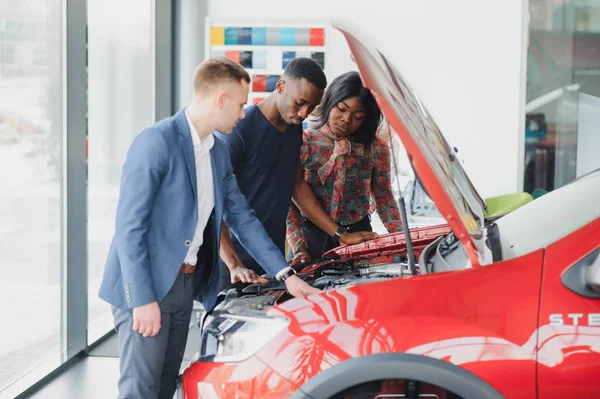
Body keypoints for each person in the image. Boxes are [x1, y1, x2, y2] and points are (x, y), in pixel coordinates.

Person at [98, 57, 319, 399]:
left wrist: (286, 274)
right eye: (240, 104)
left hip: (186, 282)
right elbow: (129, 228)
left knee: (164, 385)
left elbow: (242, 216)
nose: (243, 114)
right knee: (139, 390)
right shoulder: (155, 142)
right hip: (147, 286)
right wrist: (141, 299)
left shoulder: (215, 152)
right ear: (220, 100)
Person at [218, 58, 376, 292]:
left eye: (311, 107)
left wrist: (339, 234)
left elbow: (298, 187)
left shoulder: (293, 129)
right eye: (300, 103)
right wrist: (232, 263)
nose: (304, 113)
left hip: (271, 259)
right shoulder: (238, 132)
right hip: (232, 262)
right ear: (281, 86)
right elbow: (210, 201)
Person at [287, 71, 403, 262]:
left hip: (359, 236)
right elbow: (291, 201)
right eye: (341, 108)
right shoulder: (304, 142)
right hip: (309, 238)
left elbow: (384, 196)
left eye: (358, 116)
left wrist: (401, 238)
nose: (346, 120)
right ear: (330, 102)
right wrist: (298, 247)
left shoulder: (376, 149)